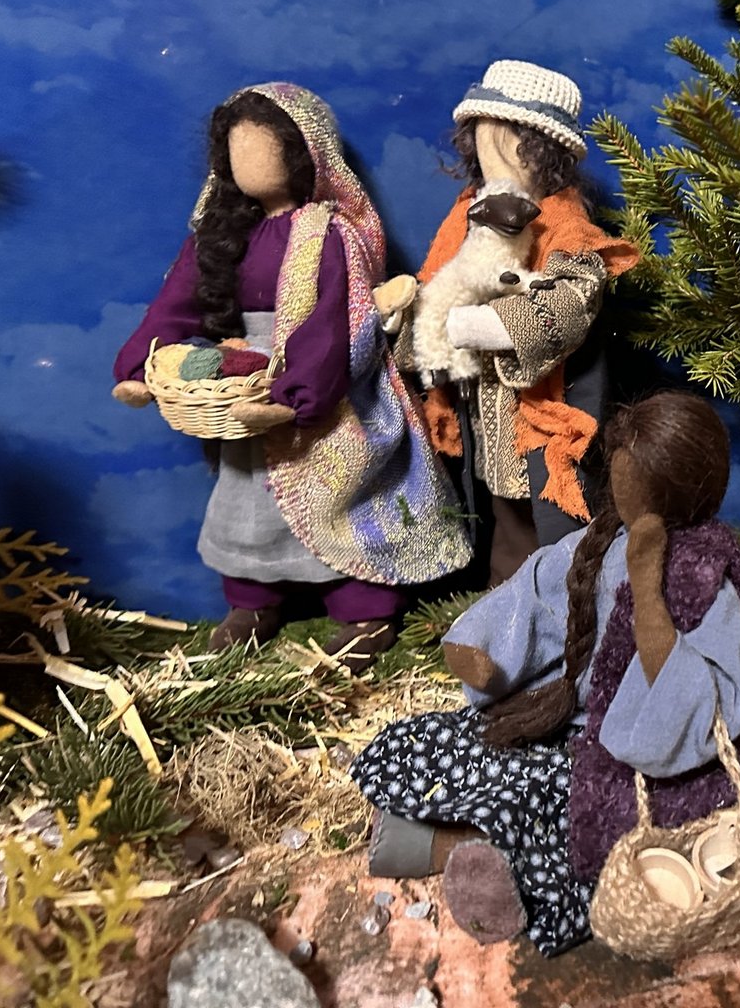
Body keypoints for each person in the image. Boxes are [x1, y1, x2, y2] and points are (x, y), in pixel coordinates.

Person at [350, 391, 740, 956]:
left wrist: (649, 595)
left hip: (643, 748)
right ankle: (428, 829)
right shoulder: (601, 544)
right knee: (446, 743)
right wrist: (485, 648)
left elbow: (706, 695)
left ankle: (454, 849)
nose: (622, 496)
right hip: (565, 712)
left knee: (566, 807)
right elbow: (539, 592)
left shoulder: (707, 581)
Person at [111, 83, 471, 672]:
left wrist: (297, 394)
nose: (246, 160)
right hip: (241, 386)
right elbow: (177, 302)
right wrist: (142, 368)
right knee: (247, 498)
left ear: (303, 153)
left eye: (261, 147)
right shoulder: (220, 233)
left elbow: (335, 318)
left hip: (321, 386)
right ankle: (252, 602)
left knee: (343, 494)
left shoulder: (327, 232)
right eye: (236, 148)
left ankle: (364, 608)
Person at [379, 60, 639, 586]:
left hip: (543, 406)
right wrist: (409, 316)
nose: (489, 154)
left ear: (542, 151)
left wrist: (467, 325)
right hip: (487, 409)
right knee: (504, 515)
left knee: (557, 517)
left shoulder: (566, 228)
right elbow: (438, 283)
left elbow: (568, 305)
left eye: (505, 142)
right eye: (482, 141)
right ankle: (505, 608)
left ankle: (564, 609)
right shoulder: (465, 215)